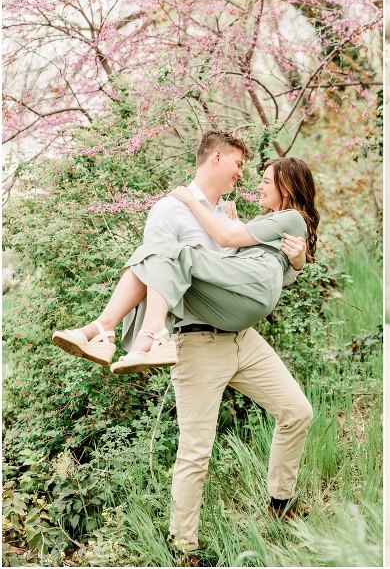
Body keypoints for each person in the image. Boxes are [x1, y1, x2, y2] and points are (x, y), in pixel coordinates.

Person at [54, 130, 315, 556]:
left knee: (297, 411)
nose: (245, 176)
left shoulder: (230, 215)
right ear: (217, 158)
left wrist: (296, 260)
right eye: (238, 165)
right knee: (196, 452)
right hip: (198, 344)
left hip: (243, 339)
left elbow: (253, 265)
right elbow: (154, 262)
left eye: (258, 175)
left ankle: (280, 503)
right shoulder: (170, 210)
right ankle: (184, 548)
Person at [53, 155, 318, 375]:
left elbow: (227, 241)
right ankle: (108, 332)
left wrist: (191, 199)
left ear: (286, 188)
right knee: (156, 264)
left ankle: (134, 331)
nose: (258, 186)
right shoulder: (273, 222)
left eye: (266, 181)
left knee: (169, 252)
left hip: (253, 289)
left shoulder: (292, 217)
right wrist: (236, 223)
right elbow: (247, 249)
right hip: (242, 301)